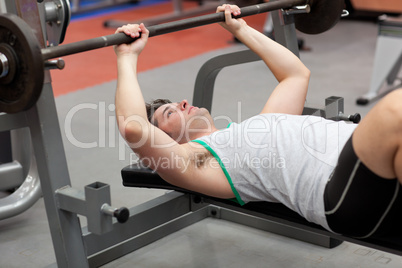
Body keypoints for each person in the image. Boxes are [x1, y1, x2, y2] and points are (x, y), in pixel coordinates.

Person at [114, 4, 402, 238]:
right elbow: (133, 127)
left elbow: (296, 74)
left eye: (177, 102)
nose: (183, 103)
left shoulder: (262, 124)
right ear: (166, 141)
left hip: (371, 170)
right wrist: (127, 57)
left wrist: (241, 29)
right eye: (169, 113)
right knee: (394, 110)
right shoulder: (201, 161)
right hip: (338, 194)